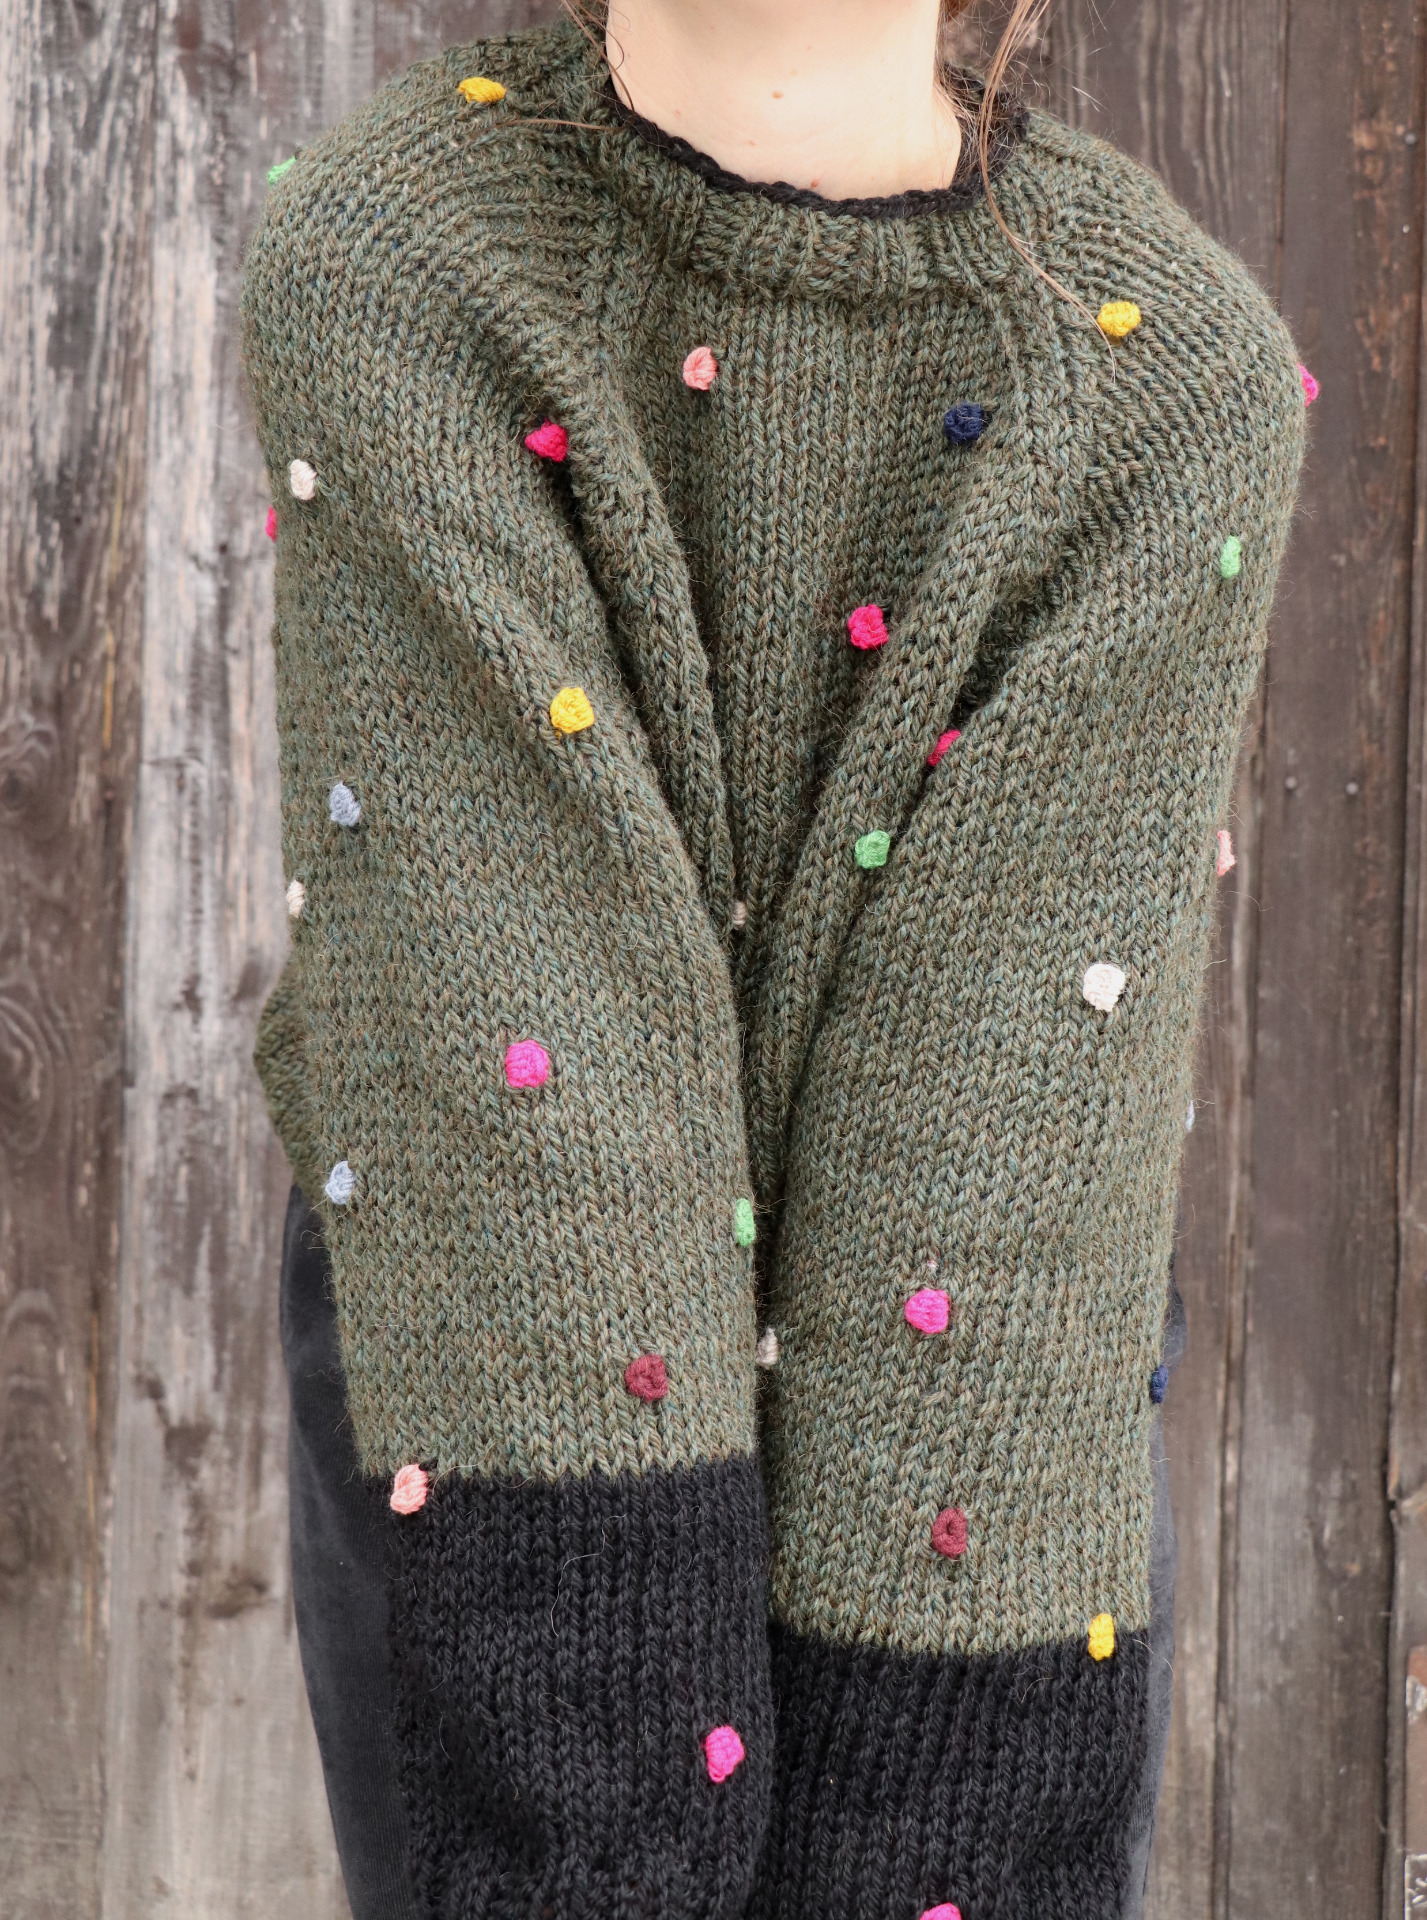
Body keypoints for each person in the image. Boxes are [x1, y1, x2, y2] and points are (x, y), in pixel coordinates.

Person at [243, 1, 1306, 1914]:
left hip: (996, 1373)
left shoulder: (1169, 375)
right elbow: (524, 1055)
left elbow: (997, 1130)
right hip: (483, 1339)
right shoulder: (396, 260)